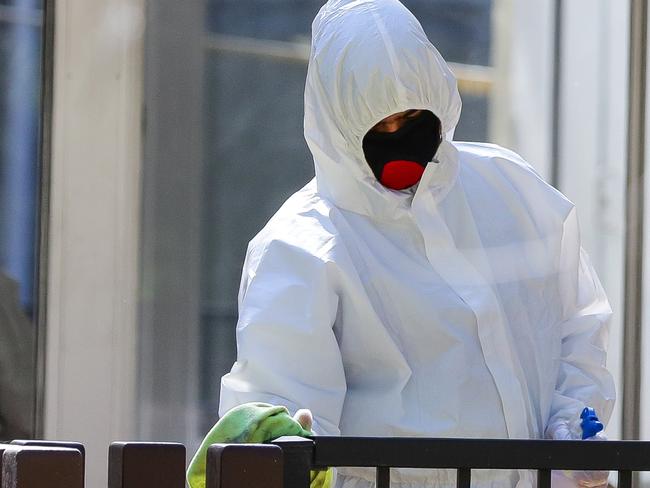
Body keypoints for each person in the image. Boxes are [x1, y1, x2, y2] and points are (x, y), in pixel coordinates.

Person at [217, 0, 616, 487]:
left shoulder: (514, 192)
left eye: (411, 116)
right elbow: (281, 421)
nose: (398, 136)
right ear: (336, 125)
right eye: (377, 126)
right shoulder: (302, 249)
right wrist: (292, 451)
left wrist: (572, 426)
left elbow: (577, 326)